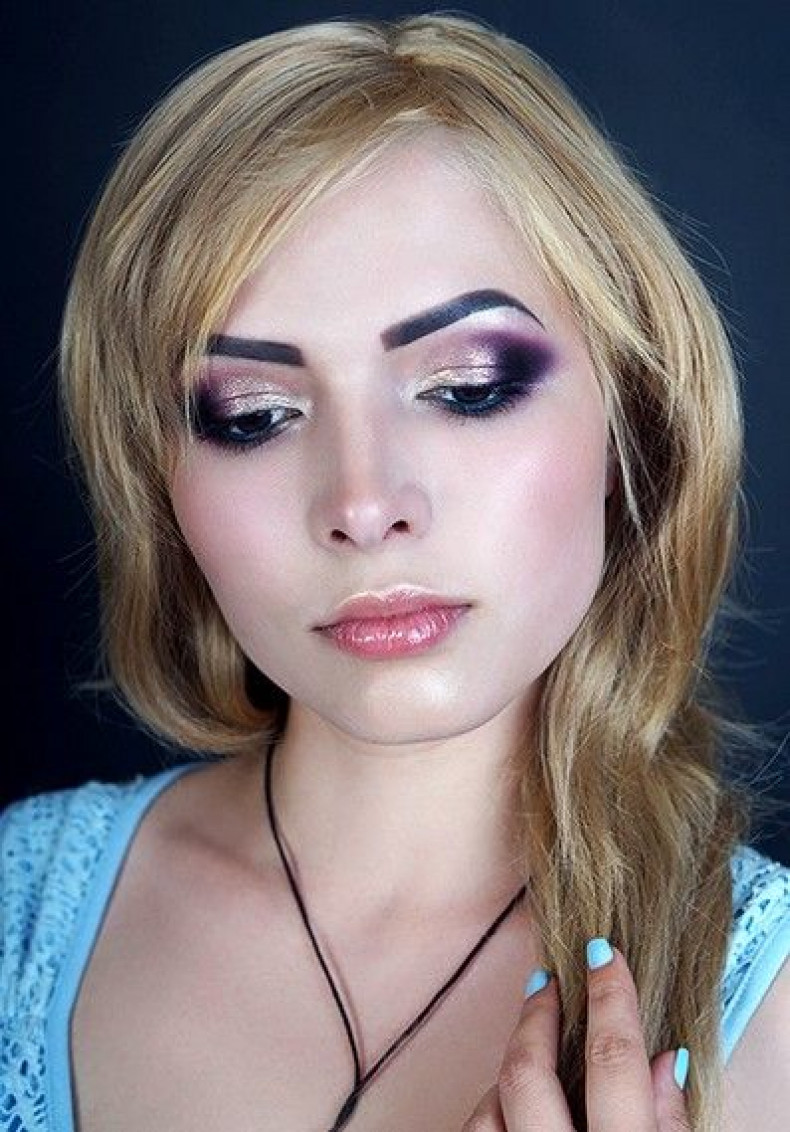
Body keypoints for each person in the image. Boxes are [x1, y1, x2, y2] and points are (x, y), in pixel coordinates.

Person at [1, 13, 788, 1132]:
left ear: (635, 418)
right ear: (158, 482)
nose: (365, 506)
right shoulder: (17, 910)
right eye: (254, 414)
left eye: (467, 388)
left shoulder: (772, 1025)